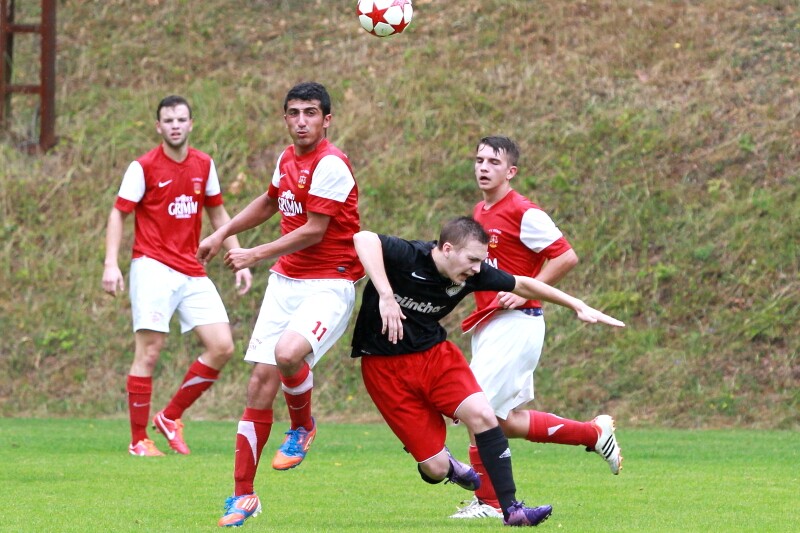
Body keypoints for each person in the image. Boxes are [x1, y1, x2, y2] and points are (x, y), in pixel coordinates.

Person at [350, 216, 625, 527]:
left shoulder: (473, 275)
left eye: (481, 261)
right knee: (434, 470)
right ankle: (450, 467)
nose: (477, 268)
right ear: (447, 249)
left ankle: (512, 510)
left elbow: (523, 283)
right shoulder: (410, 255)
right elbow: (364, 238)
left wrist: (577, 304)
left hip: (434, 357)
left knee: (483, 414)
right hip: (382, 368)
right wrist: (386, 296)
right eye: (472, 259)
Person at [195, 82, 364, 528]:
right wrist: (221, 233)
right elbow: (271, 202)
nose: (301, 121)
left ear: (327, 120)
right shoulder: (287, 158)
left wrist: (253, 253)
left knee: (288, 354)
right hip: (286, 282)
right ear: (285, 118)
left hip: (330, 283)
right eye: (294, 113)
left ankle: (302, 426)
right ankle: (243, 496)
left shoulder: (331, 163)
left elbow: (314, 229)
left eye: (311, 113)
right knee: (258, 386)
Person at [450, 136, 623, 519]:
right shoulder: (480, 211)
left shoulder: (524, 212)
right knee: (504, 421)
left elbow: (565, 255)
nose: (483, 167)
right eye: (479, 160)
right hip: (490, 324)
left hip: (516, 323)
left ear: (510, 171)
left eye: (493, 162)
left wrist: (525, 291)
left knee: (477, 410)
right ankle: (593, 434)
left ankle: (490, 503)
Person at [102, 95, 253, 457]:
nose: (175, 125)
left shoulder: (204, 164)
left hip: (192, 267)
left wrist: (239, 255)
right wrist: (110, 263)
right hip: (152, 266)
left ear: (190, 124)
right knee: (149, 351)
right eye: (168, 120)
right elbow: (118, 213)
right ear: (159, 127)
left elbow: (218, 214)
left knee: (222, 346)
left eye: (181, 119)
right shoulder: (143, 167)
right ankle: (138, 440)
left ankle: (170, 417)